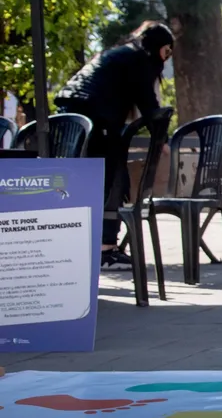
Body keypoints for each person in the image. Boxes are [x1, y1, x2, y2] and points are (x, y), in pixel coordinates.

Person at [54, 21, 174, 271]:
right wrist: (161, 138)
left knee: (76, 184)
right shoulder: (139, 58)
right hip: (96, 118)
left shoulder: (118, 53)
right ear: (159, 47)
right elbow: (148, 102)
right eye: (168, 50)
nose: (168, 57)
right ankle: (105, 250)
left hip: (70, 118)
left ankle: (75, 246)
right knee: (113, 180)